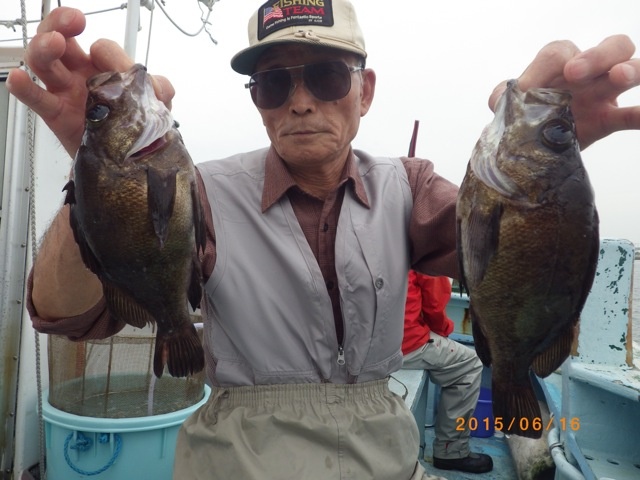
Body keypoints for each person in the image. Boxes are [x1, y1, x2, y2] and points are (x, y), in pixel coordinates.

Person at [7, 0, 640, 479]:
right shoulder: (197, 189)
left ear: (365, 92)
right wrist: (91, 169)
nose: (301, 101)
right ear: (258, 102)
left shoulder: (411, 186)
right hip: (236, 461)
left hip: (386, 456)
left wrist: (549, 158)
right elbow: (63, 316)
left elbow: (506, 249)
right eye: (274, 84)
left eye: (328, 77)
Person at [401, 270, 487, 473]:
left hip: (353, 345)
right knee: (470, 365)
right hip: (402, 343)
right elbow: (434, 303)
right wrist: (444, 330)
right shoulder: (419, 249)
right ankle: (451, 451)